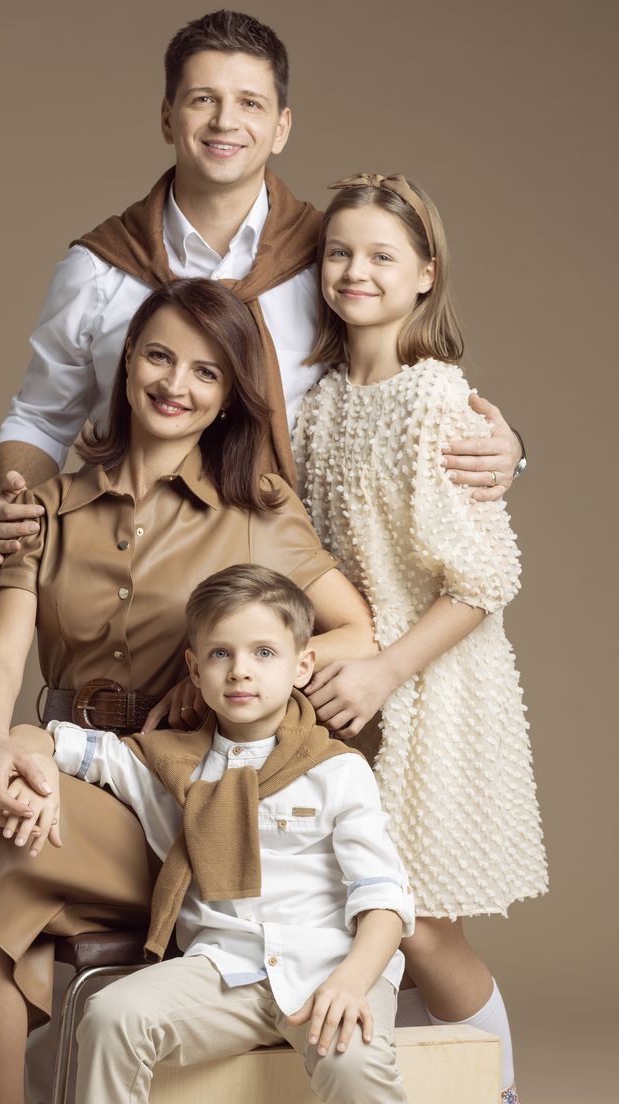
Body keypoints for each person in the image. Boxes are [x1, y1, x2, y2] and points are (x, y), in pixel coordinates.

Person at [0, 279, 378, 1104]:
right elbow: (1, 659)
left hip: (174, 807)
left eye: (206, 373)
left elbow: (356, 633)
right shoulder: (49, 510)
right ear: (125, 366)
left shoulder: (256, 512)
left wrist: (218, 690)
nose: (174, 386)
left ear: (229, 399)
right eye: (158, 356)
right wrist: (11, 752)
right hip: (57, 777)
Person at [0, 9, 524, 579]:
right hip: (128, 575)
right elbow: (41, 418)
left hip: (288, 585)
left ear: (282, 127)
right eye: (202, 99)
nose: (225, 122)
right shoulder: (96, 270)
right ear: (168, 118)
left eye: (250, 103)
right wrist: (17, 504)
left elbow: (399, 387)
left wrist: (506, 446)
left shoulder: (329, 259)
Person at [293, 172, 548, 1104]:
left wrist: (385, 669)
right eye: (339, 252)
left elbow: (486, 579)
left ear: (426, 277)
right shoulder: (317, 404)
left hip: (431, 689)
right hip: (350, 691)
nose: (356, 271)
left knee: (419, 925)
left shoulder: (436, 399)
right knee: (358, 915)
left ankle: (501, 1091)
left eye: (382, 256)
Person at [1, 563, 415, 1103]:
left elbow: (383, 898)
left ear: (301, 664)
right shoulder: (167, 765)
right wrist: (24, 748)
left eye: (264, 653)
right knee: (109, 1017)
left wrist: (352, 980)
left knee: (353, 1065)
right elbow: (69, 745)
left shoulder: (337, 770)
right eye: (222, 654)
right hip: (223, 971)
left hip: (331, 970)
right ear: (194, 671)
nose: (241, 671)